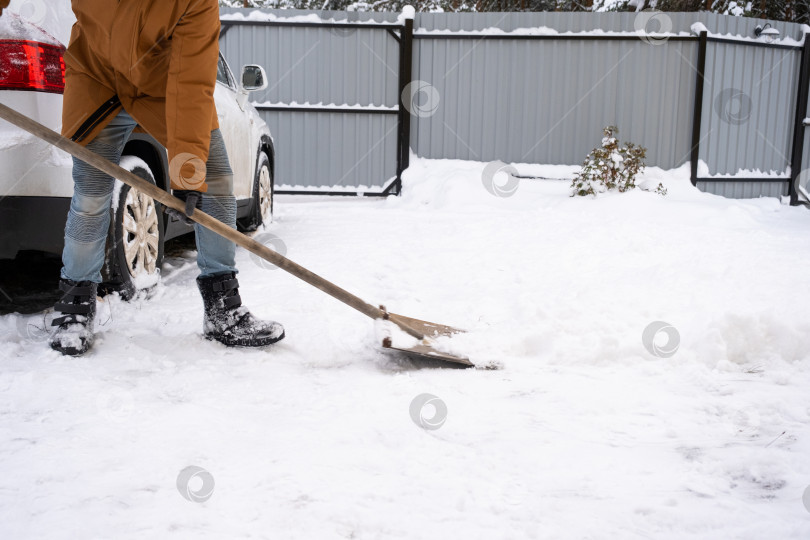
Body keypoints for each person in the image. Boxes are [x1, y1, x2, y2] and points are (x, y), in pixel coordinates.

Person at [46, 0, 284, 355]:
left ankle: (222, 304)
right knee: (92, 193)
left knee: (215, 179)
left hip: (164, 88)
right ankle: (74, 305)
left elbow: (191, 79)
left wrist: (188, 175)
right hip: (98, 78)